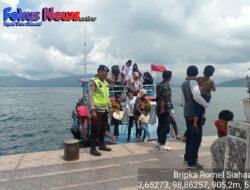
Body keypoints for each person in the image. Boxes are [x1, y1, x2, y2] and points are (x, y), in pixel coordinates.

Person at [182, 65, 209, 169]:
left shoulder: (184, 83)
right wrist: (206, 104)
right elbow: (197, 96)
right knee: (196, 139)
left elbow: (183, 98)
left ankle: (187, 157)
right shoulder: (193, 82)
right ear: (196, 73)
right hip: (194, 114)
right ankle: (192, 162)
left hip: (187, 112)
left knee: (189, 137)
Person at [88, 65, 112, 156]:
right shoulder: (93, 82)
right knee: (95, 129)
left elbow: (107, 96)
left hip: (105, 110)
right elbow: (90, 96)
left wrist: (109, 106)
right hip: (97, 110)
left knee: (103, 129)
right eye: (103, 72)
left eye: (106, 73)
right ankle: (92, 148)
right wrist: (92, 109)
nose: (105, 74)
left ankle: (102, 145)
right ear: (99, 71)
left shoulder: (105, 83)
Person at [210, 110, 234, 188]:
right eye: (223, 122)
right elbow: (219, 134)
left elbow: (231, 139)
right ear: (220, 120)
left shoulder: (232, 127)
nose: (225, 124)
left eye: (227, 123)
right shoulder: (217, 123)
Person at [156, 70, 174, 150]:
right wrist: (163, 109)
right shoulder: (166, 86)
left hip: (158, 108)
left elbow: (159, 97)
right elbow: (163, 99)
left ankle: (159, 141)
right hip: (164, 109)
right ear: (169, 77)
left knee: (160, 125)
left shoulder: (159, 84)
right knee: (166, 127)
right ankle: (163, 144)